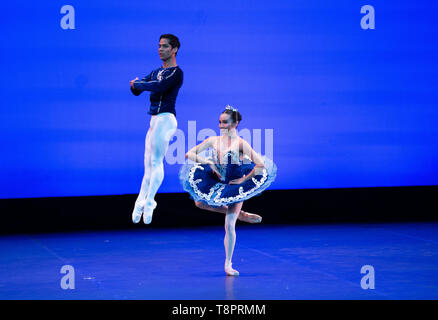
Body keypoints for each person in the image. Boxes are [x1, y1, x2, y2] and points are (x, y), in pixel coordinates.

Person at [179, 106, 277, 276]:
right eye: (219, 122)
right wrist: (209, 163)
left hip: (235, 185)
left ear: (235, 123)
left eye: (225, 122)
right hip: (218, 181)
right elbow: (189, 154)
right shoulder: (213, 140)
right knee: (199, 202)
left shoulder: (240, 143)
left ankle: (228, 264)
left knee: (229, 224)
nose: (221, 125)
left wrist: (243, 180)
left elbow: (260, 165)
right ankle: (242, 215)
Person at [130, 34, 183, 224]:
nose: (161, 49)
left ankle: (150, 201)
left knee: (155, 160)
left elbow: (159, 87)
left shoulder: (176, 73)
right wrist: (137, 85)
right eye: (159, 46)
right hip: (154, 120)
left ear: (174, 49)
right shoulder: (154, 72)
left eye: (165, 46)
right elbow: (137, 89)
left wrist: (139, 84)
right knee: (148, 165)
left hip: (166, 119)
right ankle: (140, 200)